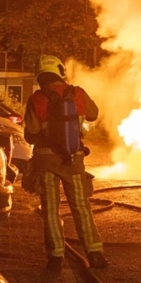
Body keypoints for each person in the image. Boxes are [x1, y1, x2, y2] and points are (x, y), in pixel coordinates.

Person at [23, 55, 108, 271]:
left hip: (47, 161)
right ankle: (95, 252)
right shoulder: (77, 93)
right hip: (73, 160)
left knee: (51, 209)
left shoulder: (36, 99)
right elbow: (93, 114)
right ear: (60, 71)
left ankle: (56, 257)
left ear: (40, 75)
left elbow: (31, 134)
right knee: (81, 206)